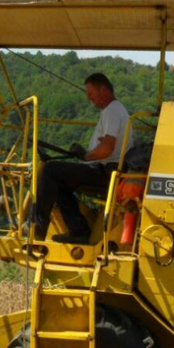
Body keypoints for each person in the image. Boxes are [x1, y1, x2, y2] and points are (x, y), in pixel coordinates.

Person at [33, 73, 133, 244]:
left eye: (90, 93)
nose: (89, 99)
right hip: (108, 170)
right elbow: (105, 147)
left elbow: (107, 148)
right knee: (58, 180)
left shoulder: (112, 110)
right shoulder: (115, 110)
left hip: (106, 172)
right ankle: (78, 230)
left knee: (50, 170)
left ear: (103, 90)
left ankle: (37, 226)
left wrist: (85, 155)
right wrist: (84, 154)